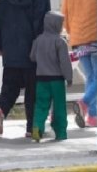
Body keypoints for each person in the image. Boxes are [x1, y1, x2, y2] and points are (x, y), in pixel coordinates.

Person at [0, 0, 51, 138]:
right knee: (33, 92)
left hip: (10, 51)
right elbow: (42, 26)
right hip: (32, 53)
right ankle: (32, 129)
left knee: (10, 88)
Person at [61, 0, 97, 128]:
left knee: (91, 77)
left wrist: (73, 33)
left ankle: (93, 116)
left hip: (78, 40)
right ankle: (83, 103)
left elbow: (65, 17)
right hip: (96, 37)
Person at [29, 10, 73, 142]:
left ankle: (37, 127)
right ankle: (60, 133)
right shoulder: (60, 42)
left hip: (41, 79)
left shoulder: (38, 40)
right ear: (56, 25)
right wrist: (69, 77)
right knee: (59, 107)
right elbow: (65, 62)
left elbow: (32, 57)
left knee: (41, 105)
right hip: (57, 80)